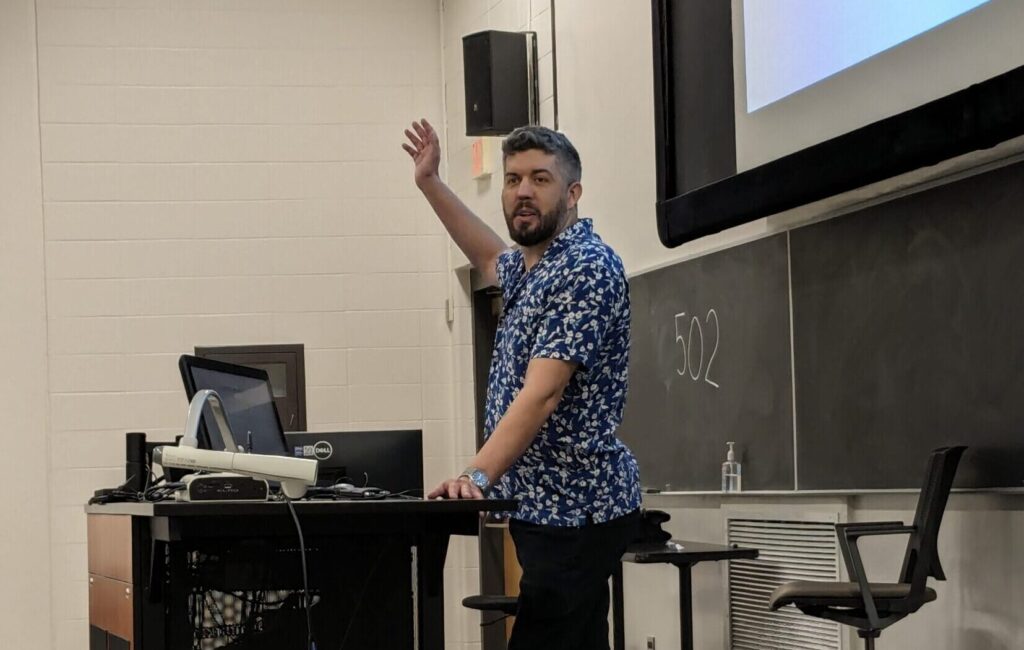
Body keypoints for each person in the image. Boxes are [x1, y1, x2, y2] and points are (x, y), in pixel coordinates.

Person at [403, 119, 641, 649]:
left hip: (577, 510)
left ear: (573, 193)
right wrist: (430, 183)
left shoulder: (585, 267)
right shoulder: (534, 268)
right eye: (513, 180)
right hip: (545, 510)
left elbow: (543, 393)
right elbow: (489, 257)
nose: (522, 192)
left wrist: (476, 476)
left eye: (540, 179)